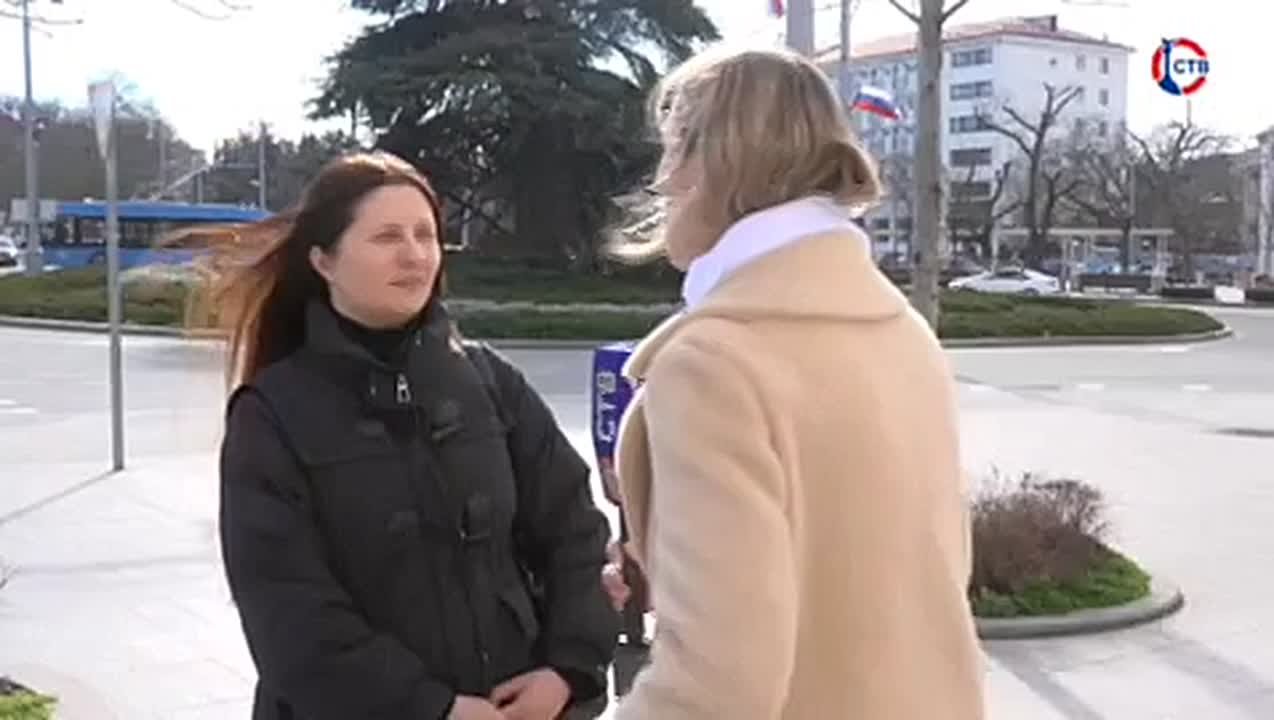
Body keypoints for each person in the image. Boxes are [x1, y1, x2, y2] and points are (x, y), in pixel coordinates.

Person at [606, 46, 985, 718]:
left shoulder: (713, 365)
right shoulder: (904, 334)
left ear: (709, 163)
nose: (661, 178)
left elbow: (714, 686)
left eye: (672, 147)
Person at [196, 151, 619, 720]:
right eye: (387, 237)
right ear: (323, 260)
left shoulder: (491, 382)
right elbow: (288, 611)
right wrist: (431, 708)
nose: (415, 255)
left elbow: (574, 532)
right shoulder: (272, 413)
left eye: (426, 235)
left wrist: (567, 670)